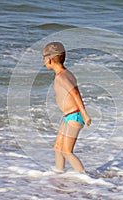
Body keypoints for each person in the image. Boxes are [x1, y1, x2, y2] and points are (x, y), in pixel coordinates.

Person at [43, 42, 91, 173]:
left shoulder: (62, 77)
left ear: (49, 59)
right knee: (58, 147)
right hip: (68, 117)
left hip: (75, 115)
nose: (44, 62)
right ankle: (59, 174)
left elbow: (75, 93)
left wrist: (85, 114)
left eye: (43, 58)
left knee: (67, 151)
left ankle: (85, 178)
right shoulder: (65, 74)